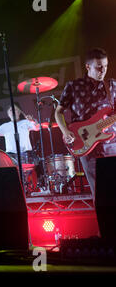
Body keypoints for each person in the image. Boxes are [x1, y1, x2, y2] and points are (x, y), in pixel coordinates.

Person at [55, 47, 116, 198]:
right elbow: (58, 112)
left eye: (106, 66)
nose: (103, 70)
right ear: (88, 66)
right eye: (99, 67)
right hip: (86, 144)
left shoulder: (113, 85)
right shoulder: (73, 86)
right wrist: (66, 131)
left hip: (112, 143)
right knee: (100, 193)